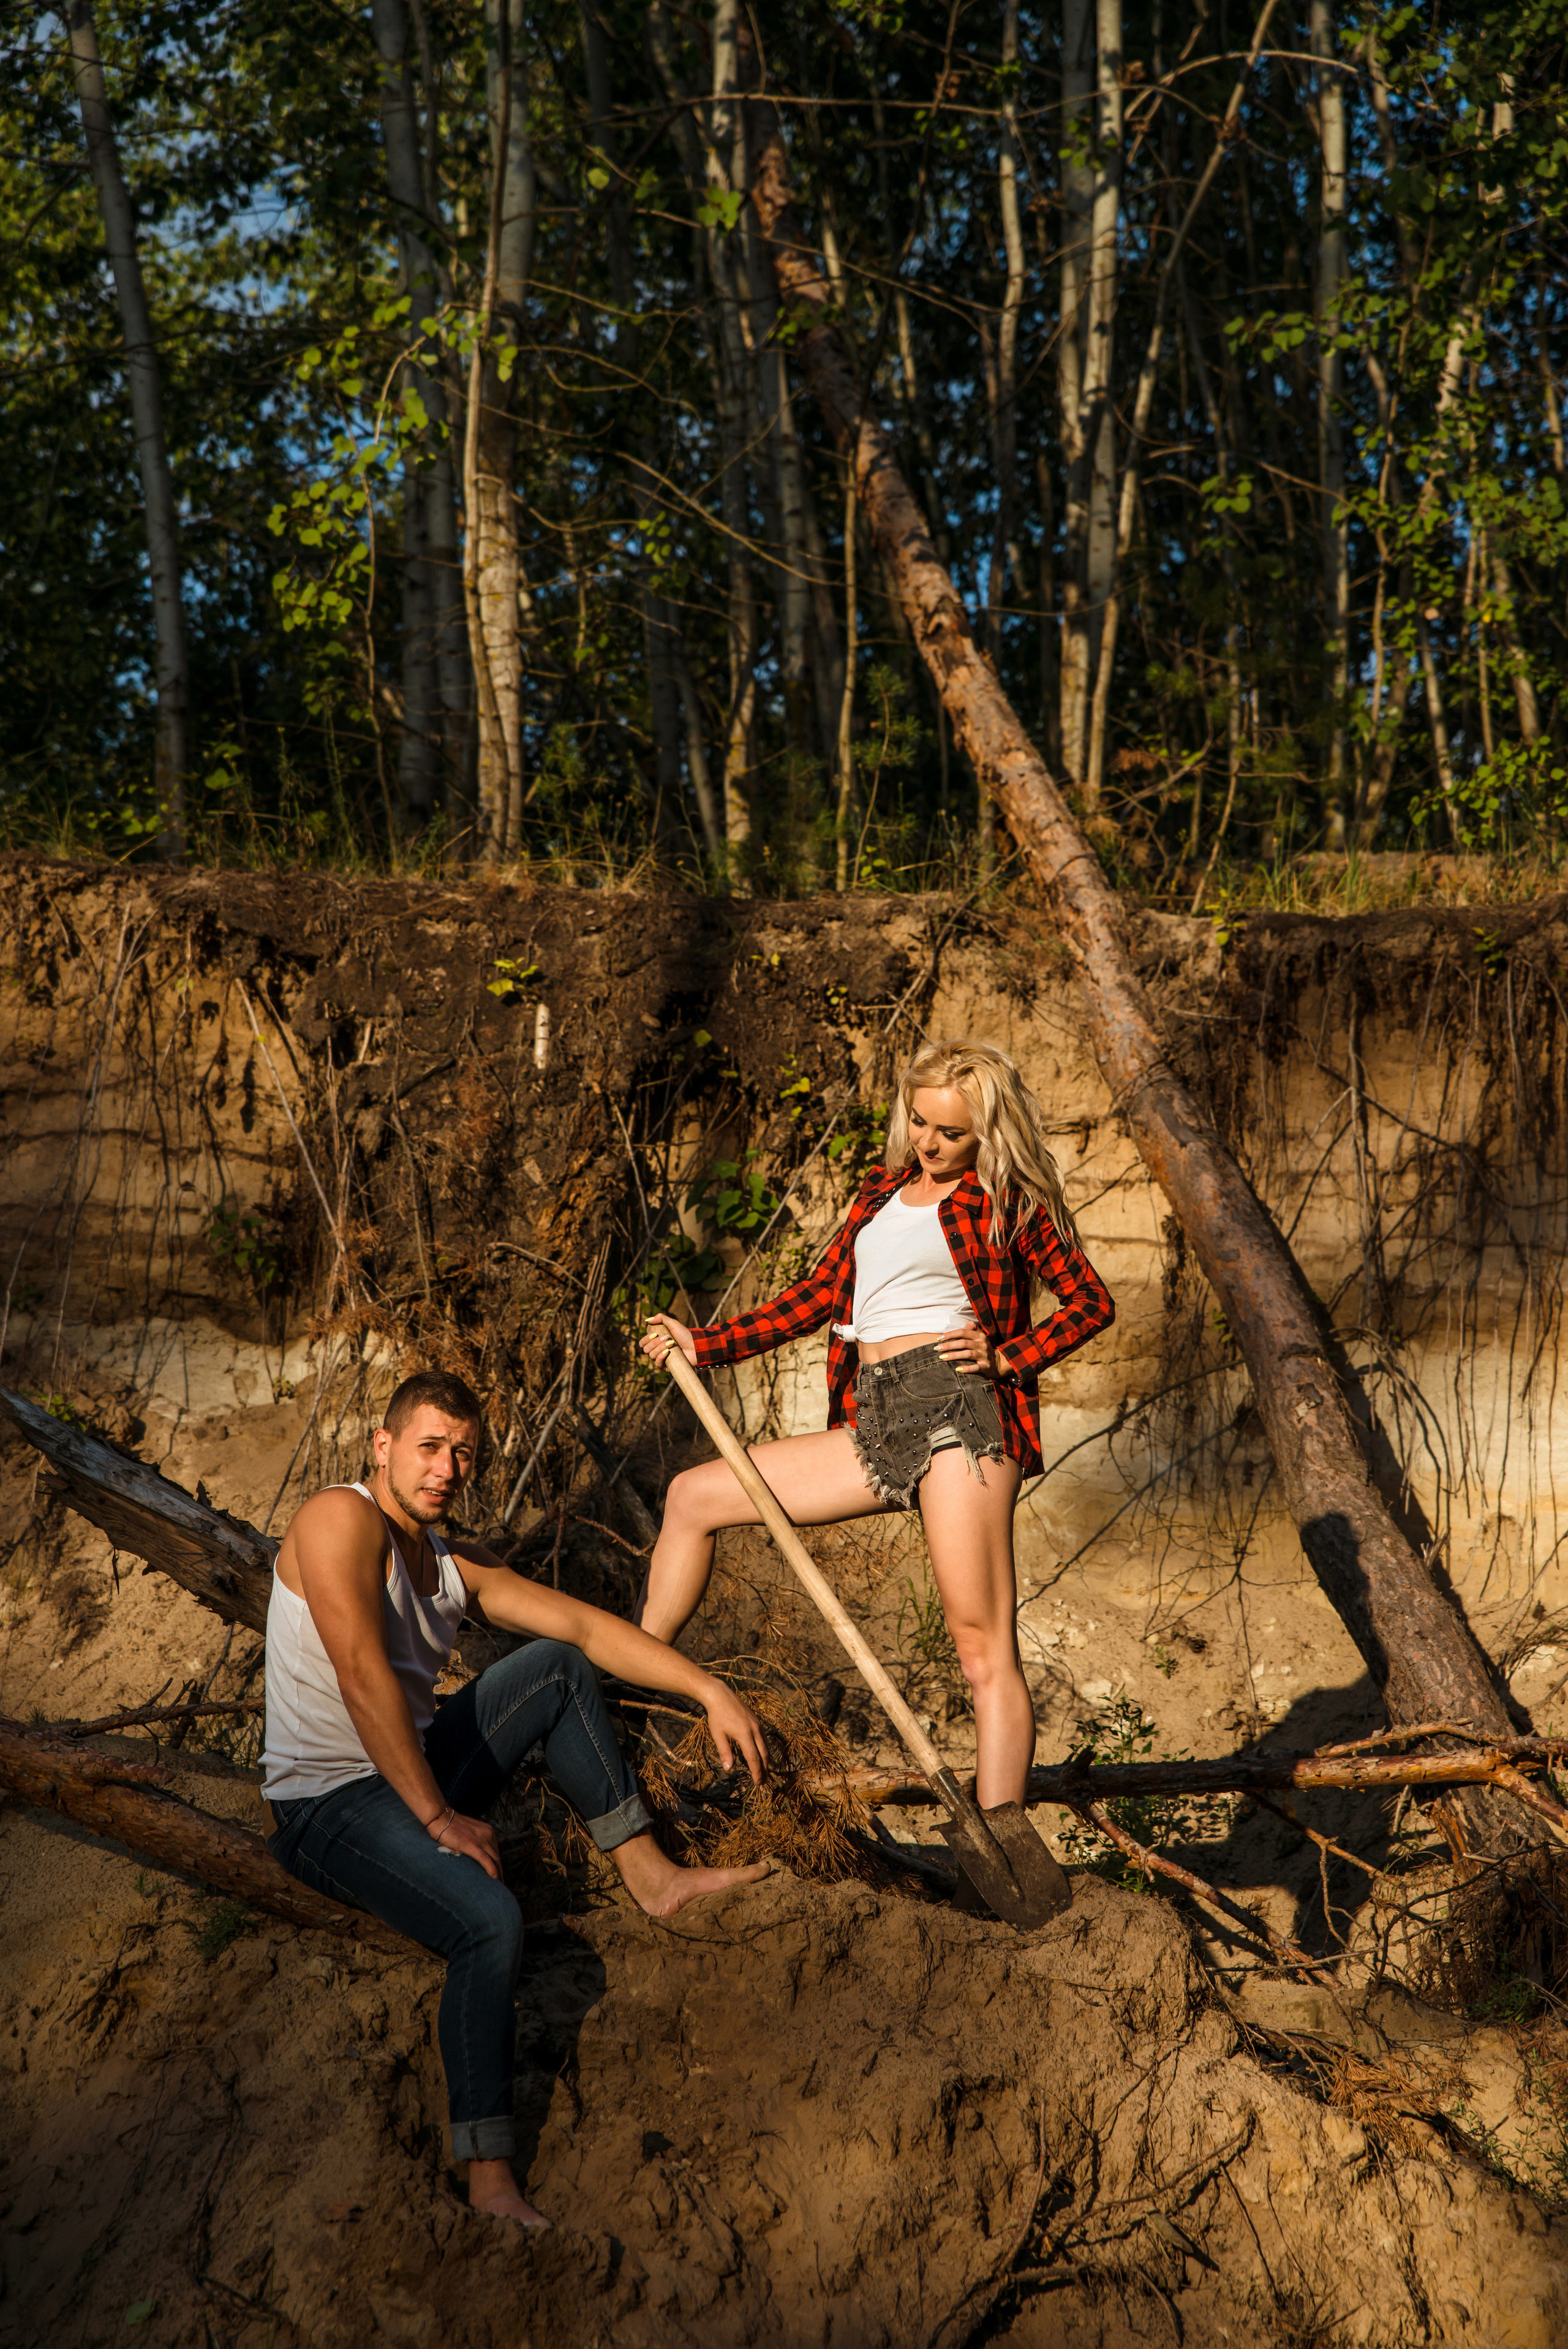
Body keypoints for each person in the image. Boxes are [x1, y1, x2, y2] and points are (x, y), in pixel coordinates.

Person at [262, 1368, 769, 2231]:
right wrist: (435, 1816)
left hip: (409, 1765)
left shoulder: (453, 1559)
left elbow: (587, 1629)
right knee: (489, 1917)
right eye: (429, 1446)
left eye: (463, 1453)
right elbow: (359, 1670)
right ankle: (490, 2177)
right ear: (382, 1446)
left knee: (557, 1667)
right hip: (328, 1804)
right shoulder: (336, 1516)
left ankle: (653, 1876)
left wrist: (707, 1686)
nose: (446, 1467)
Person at [639, 1039, 1114, 1813]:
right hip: (876, 1411)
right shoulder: (878, 1193)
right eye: (919, 1121)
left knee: (982, 1649)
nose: (928, 1142)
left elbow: (1091, 1303)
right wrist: (704, 1343)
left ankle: (1001, 1838)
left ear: (987, 1133)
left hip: (960, 1412)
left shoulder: (1005, 1204)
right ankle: (631, 1675)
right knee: (694, 1496)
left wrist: (1008, 1357)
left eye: (950, 1133)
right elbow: (815, 1296)